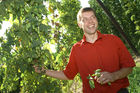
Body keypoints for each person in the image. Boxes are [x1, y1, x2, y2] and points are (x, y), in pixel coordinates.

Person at [34, 7, 135, 93]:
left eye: (92, 17)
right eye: (85, 19)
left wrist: (113, 76)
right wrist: (44, 71)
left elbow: (129, 67)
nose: (90, 21)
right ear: (79, 24)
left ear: (96, 19)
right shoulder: (76, 49)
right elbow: (68, 74)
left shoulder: (113, 40)